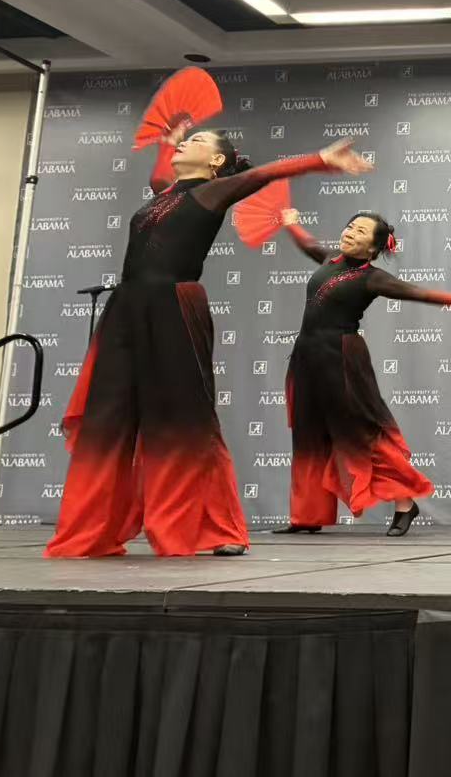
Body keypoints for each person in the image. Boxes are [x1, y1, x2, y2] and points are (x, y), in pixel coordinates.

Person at [46, 125, 371, 558]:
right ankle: (93, 531)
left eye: (198, 142)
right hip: (126, 309)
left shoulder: (211, 193)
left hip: (173, 306)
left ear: (217, 162)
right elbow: (159, 177)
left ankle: (220, 528)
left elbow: (262, 175)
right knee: (108, 417)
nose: (188, 144)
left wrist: (321, 160)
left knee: (188, 419)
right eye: (188, 140)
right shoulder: (164, 192)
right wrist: (169, 141)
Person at [271, 208, 451, 538]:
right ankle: (307, 515)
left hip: (341, 358)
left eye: (361, 232)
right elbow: (309, 245)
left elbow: (417, 292)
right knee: (308, 434)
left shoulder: (372, 278)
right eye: (350, 226)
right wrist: (292, 225)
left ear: (374, 248)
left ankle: (405, 503)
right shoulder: (330, 258)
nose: (351, 232)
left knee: (362, 433)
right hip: (306, 357)